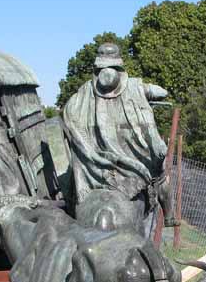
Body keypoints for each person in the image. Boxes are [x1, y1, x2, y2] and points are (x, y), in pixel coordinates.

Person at [61, 43, 176, 230]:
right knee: (161, 174)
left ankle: (68, 206)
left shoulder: (81, 95)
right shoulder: (135, 87)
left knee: (68, 179)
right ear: (119, 65)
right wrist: (144, 92)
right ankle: (170, 216)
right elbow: (162, 92)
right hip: (132, 168)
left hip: (91, 170)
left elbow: (67, 120)